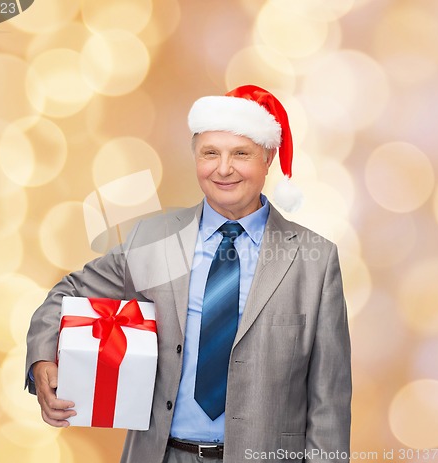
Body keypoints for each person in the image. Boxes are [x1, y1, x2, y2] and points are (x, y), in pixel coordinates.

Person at [26, 85, 351, 463]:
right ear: (195, 156)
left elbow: (329, 402)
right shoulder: (153, 240)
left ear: (268, 157)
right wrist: (43, 359)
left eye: (241, 154)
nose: (224, 168)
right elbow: (67, 293)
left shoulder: (315, 260)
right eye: (210, 153)